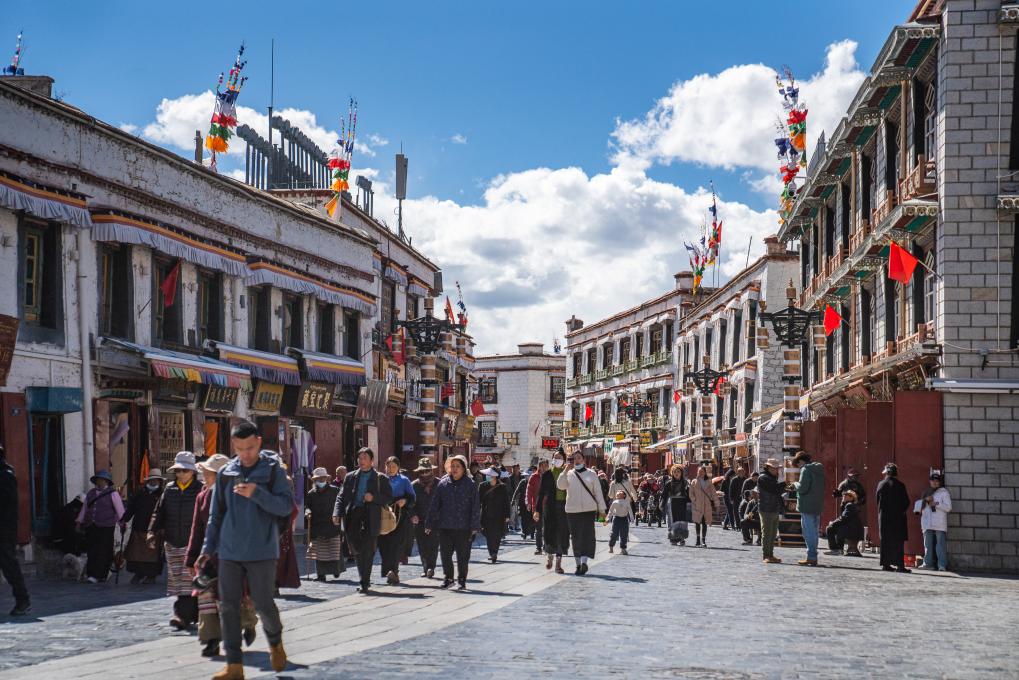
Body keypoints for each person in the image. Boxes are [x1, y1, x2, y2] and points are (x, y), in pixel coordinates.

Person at [199, 421, 295, 679]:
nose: (246, 454)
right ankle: (234, 665)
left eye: (250, 448)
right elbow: (216, 515)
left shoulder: (273, 470)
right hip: (229, 551)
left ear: (259, 442)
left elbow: (286, 506)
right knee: (227, 606)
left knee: (263, 603)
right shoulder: (226, 473)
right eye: (240, 449)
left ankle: (275, 642)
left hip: (262, 549)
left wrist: (257, 494)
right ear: (234, 446)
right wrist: (208, 548)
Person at [186, 454, 257, 659]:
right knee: (206, 600)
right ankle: (211, 640)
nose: (204, 476)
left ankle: (247, 625)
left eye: (208, 473)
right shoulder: (202, 497)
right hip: (208, 560)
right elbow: (197, 529)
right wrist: (191, 558)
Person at [150, 451, 201, 630]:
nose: (181, 474)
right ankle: (186, 615)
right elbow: (159, 511)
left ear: (192, 472)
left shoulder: (200, 489)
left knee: (190, 581)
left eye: (184, 470)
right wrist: (151, 531)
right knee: (178, 581)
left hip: (192, 542)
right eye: (178, 471)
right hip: (172, 541)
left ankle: (183, 616)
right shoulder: (169, 489)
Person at [425, 455, 481, 590]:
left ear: (463, 469)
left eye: (458, 466)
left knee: (463, 556)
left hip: (464, 527)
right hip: (445, 526)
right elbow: (435, 505)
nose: (455, 469)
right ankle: (448, 578)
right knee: (445, 554)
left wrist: (474, 526)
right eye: (453, 466)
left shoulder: (470, 484)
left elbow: (475, 506)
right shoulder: (443, 484)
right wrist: (429, 522)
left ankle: (461, 579)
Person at [556, 450, 606, 575]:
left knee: (587, 537)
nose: (576, 460)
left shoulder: (591, 474)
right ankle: (578, 564)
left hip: (589, 510)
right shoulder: (569, 474)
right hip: (572, 510)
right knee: (576, 538)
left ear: (583, 459)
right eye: (574, 458)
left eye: (578, 458)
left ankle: (584, 563)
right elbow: (560, 486)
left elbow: (598, 492)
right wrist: (565, 471)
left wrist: (602, 510)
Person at [76, 469, 125, 583]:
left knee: (104, 550)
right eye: (98, 479)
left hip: (106, 526)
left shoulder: (113, 494)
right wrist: (79, 522)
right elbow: (84, 509)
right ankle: (92, 573)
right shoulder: (91, 493)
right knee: (92, 550)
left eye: (102, 480)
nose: (100, 482)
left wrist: (122, 523)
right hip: (91, 525)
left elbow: (119, 510)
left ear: (107, 481)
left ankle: (101, 574)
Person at [120, 467, 164, 584]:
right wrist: (124, 519)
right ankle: (138, 574)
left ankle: (151, 576)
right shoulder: (140, 493)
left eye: (156, 480)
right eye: (152, 479)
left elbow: (166, 511)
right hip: (139, 526)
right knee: (137, 553)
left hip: (154, 529)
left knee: (152, 555)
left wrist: (164, 526)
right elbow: (131, 508)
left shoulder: (162, 494)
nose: (154, 481)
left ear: (159, 481)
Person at [0, 445, 30, 616]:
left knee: (9, 565)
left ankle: (23, 600)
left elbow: (6, 505)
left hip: (4, 529)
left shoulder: (6, 476)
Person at [378, 456, 415, 585]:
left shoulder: (404, 480)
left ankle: (393, 571)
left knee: (396, 544)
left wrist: (405, 501)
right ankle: (388, 570)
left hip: (399, 516)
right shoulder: (380, 479)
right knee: (383, 544)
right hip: (383, 514)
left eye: (393, 466)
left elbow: (412, 498)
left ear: (398, 467)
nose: (391, 469)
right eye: (388, 466)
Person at [535, 450, 570, 573]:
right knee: (549, 533)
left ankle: (558, 564)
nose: (557, 459)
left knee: (562, 534)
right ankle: (550, 556)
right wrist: (537, 510)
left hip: (564, 507)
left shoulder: (568, 474)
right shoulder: (547, 474)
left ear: (564, 459)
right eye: (555, 457)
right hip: (550, 507)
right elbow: (541, 493)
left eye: (559, 457)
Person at [305, 467, 343, 581]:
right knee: (319, 552)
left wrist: (339, 515)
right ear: (314, 480)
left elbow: (340, 504)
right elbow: (307, 507)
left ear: (326, 479)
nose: (320, 480)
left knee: (334, 550)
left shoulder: (335, 490)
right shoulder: (311, 494)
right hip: (318, 526)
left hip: (332, 525)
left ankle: (336, 570)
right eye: (318, 479)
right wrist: (308, 512)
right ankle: (321, 575)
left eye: (322, 478)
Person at [876, 462, 912, 573]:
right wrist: (900, 511)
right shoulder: (901, 485)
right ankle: (900, 565)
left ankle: (886, 564)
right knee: (898, 542)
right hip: (898, 518)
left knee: (885, 541)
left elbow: (878, 501)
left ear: (886, 472)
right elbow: (906, 502)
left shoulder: (881, 484)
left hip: (884, 517)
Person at [791, 451, 825, 566]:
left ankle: (811, 557)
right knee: (814, 532)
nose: (798, 466)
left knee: (808, 532)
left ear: (801, 461)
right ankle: (813, 556)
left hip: (806, 505)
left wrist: (795, 484)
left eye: (798, 464)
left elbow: (803, 488)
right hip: (817, 504)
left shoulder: (806, 469)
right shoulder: (819, 469)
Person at [411, 458, 439, 578]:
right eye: (422, 472)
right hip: (420, 520)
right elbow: (410, 504)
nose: (425, 474)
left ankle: (431, 567)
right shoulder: (414, 486)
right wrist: (413, 515)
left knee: (433, 545)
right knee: (422, 545)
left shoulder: (439, 484)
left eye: (427, 471)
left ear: (431, 471)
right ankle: (425, 567)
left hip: (435, 520)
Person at [917, 472, 952, 571]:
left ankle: (942, 565)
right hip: (927, 522)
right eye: (933, 481)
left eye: (937, 481)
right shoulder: (926, 492)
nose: (935, 483)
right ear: (930, 481)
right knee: (927, 544)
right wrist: (924, 501)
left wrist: (936, 504)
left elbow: (948, 508)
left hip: (939, 523)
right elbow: (920, 507)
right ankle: (928, 564)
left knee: (940, 545)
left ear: (939, 482)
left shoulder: (944, 492)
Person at [479, 467, 511, 562]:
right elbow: (478, 501)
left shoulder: (502, 487)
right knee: (488, 534)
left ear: (495, 476)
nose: (487, 476)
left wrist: (507, 515)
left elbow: (506, 502)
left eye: (489, 475)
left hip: (499, 515)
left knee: (497, 534)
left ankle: (494, 553)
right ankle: (491, 552)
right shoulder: (482, 486)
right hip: (486, 514)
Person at [825, 489, 864, 557]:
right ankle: (839, 549)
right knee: (838, 527)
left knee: (829, 528)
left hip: (852, 530)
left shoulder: (849, 505)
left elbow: (843, 518)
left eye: (846, 495)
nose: (844, 496)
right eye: (843, 495)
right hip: (853, 529)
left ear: (851, 498)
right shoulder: (850, 505)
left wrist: (833, 523)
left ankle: (835, 549)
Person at [660, 465, 689, 546]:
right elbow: (664, 495)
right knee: (672, 521)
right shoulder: (669, 483)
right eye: (675, 472)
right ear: (672, 473)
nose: (676, 473)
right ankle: (673, 538)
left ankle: (682, 538)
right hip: (672, 503)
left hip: (683, 503)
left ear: (681, 473)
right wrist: (662, 504)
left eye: (678, 472)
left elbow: (689, 494)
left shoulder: (685, 483)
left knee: (682, 521)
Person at [689, 466, 718, 547]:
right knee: (697, 522)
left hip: (706, 505)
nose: (700, 473)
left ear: (705, 473)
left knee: (704, 522)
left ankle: (703, 540)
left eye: (702, 472)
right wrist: (694, 500)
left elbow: (713, 493)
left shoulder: (709, 482)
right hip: (697, 505)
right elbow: (691, 493)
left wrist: (716, 504)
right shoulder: (694, 482)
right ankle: (698, 540)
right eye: (699, 471)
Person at [525, 459, 547, 555]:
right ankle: (539, 548)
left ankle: (546, 546)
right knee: (538, 528)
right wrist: (528, 502)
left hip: (548, 506)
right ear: (539, 466)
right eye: (542, 466)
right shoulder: (533, 477)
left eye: (546, 466)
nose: (544, 468)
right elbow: (529, 491)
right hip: (537, 507)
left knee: (547, 527)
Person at [604, 490, 633, 555]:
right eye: (618, 492)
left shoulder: (626, 502)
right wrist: (608, 518)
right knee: (614, 533)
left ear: (624, 495)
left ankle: (623, 549)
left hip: (624, 519)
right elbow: (610, 511)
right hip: (616, 519)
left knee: (624, 534)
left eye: (621, 492)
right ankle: (611, 547)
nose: (619, 492)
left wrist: (632, 518)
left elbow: (630, 511)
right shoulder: (614, 502)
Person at [512, 469, 533, 540]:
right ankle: (524, 532)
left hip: (531, 503)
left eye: (528, 475)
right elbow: (517, 491)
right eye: (526, 476)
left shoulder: (534, 482)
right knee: (523, 518)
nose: (526, 477)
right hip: (523, 503)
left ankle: (532, 532)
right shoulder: (522, 482)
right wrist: (513, 500)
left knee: (531, 518)